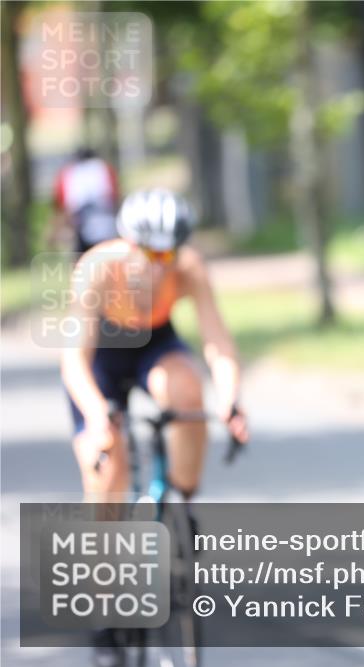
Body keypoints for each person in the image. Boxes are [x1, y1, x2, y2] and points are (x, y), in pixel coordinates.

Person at [59, 188, 249, 667]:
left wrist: (229, 401)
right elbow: (73, 361)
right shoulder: (98, 268)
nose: (159, 264)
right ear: (128, 241)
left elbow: (218, 344)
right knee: (108, 475)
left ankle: (181, 503)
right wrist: (99, 417)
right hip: (100, 358)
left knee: (186, 392)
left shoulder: (188, 268)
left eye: (169, 252)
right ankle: (105, 621)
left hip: (154, 346)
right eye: (150, 252)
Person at [49, 147, 120, 253]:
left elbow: (63, 206)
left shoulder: (68, 172)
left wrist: (55, 231)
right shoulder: (105, 168)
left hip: (81, 229)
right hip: (107, 225)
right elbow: (115, 198)